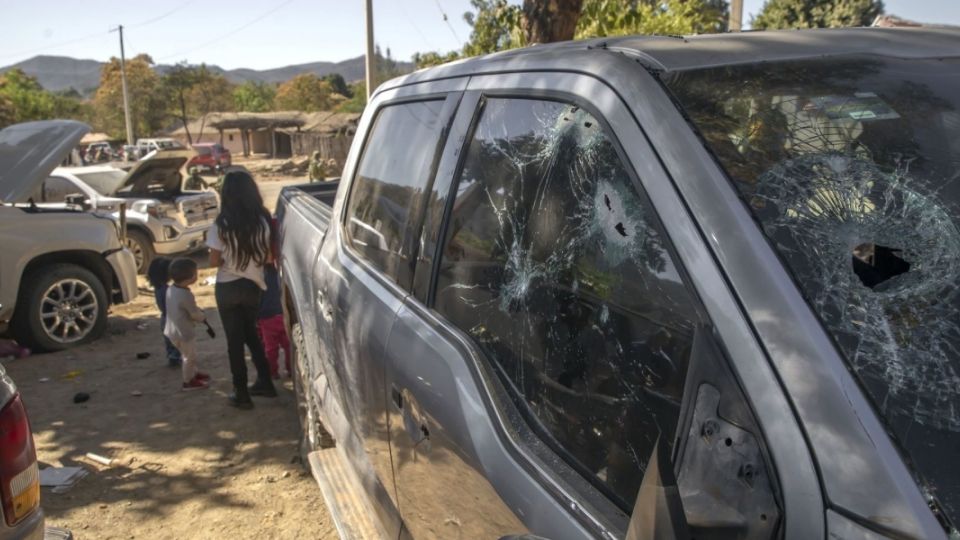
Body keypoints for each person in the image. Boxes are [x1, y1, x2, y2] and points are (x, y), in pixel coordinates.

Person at [207, 169, 277, 409]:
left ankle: (241, 392)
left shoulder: (221, 223)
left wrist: (230, 260)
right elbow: (268, 258)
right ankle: (265, 382)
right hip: (253, 286)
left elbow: (214, 261)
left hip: (227, 287)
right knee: (252, 335)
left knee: (234, 342)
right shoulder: (264, 220)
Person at [163, 258, 211, 391]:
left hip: (172, 331)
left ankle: (193, 373)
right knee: (189, 356)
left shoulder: (171, 289)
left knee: (187, 354)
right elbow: (194, 314)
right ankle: (188, 381)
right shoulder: (186, 295)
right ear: (191, 277)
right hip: (184, 332)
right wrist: (203, 316)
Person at [147, 257, 182, 367]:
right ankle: (176, 358)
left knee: (169, 341)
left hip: (164, 318)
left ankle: (172, 356)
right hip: (171, 317)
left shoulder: (158, 289)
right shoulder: (168, 289)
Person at [258, 263, 290, 379]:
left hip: (267, 318)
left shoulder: (259, 276)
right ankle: (291, 369)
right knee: (288, 345)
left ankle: (273, 372)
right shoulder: (284, 272)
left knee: (271, 348)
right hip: (283, 314)